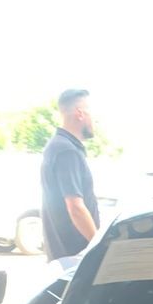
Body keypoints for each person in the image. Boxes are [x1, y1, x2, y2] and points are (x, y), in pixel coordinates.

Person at [40, 88, 99, 260]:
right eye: (92, 115)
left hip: (64, 255)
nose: (95, 121)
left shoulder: (57, 146)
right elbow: (76, 207)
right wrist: (99, 246)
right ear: (80, 114)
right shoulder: (66, 150)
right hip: (74, 256)